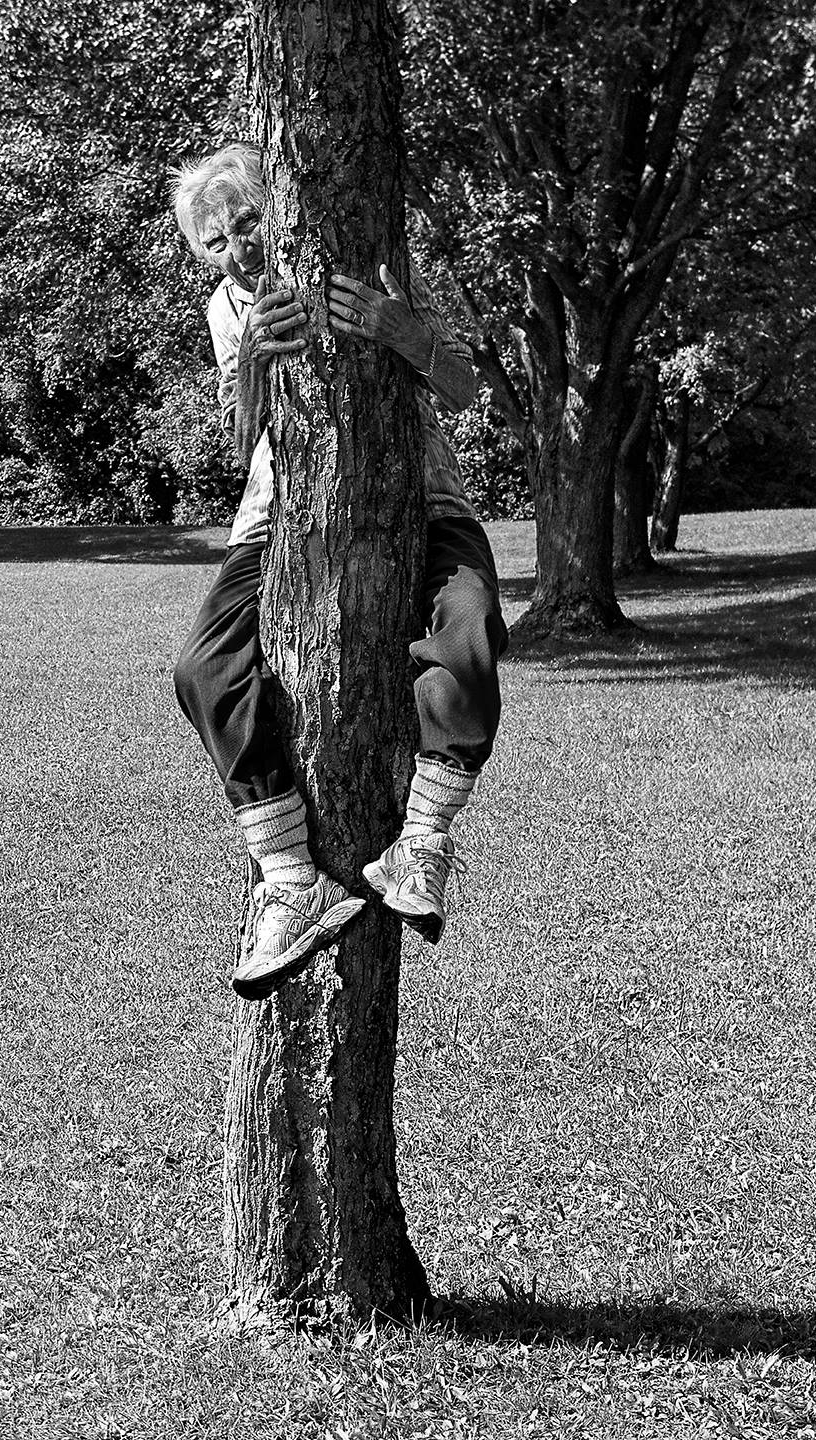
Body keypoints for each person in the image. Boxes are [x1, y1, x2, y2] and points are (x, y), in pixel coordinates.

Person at [170, 142, 507, 1002]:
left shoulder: (375, 262)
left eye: (248, 221)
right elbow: (239, 445)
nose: (238, 246)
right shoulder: (223, 307)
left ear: (276, 209)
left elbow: (467, 387)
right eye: (215, 240)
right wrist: (249, 360)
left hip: (422, 503)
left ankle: (422, 842)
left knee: (467, 628)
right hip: (276, 523)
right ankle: (291, 879)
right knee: (203, 668)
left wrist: (403, 331)